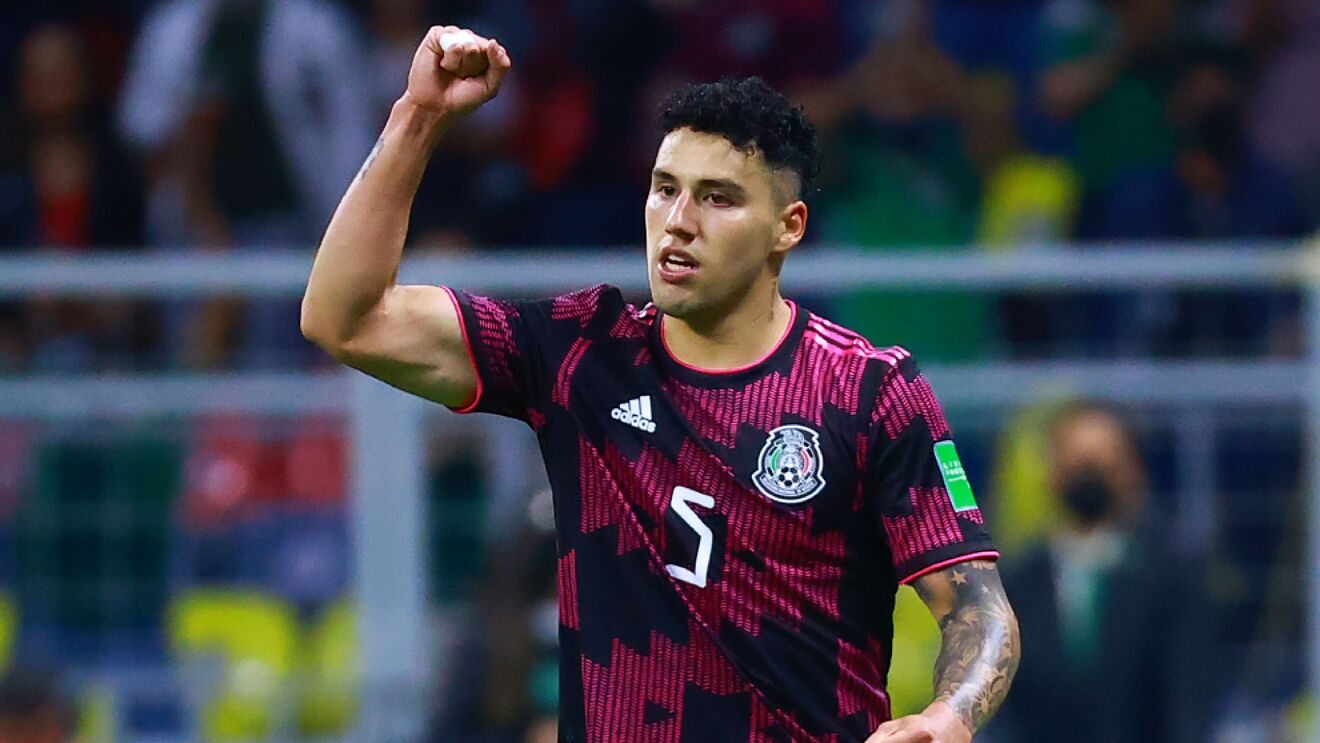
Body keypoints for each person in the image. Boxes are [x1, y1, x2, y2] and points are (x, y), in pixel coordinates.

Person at [301, 25, 1020, 742]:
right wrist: (418, 115)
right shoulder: (582, 354)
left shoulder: (869, 389)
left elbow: (976, 607)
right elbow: (346, 319)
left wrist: (949, 716)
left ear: (788, 226)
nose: (678, 222)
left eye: (717, 198)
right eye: (664, 189)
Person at [988, 400, 1222, 743]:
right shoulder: (1015, 584)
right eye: (1076, 461)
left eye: (1101, 462)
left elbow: (1188, 701)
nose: (1087, 475)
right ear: (1051, 470)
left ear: (1131, 471)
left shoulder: (1174, 582)